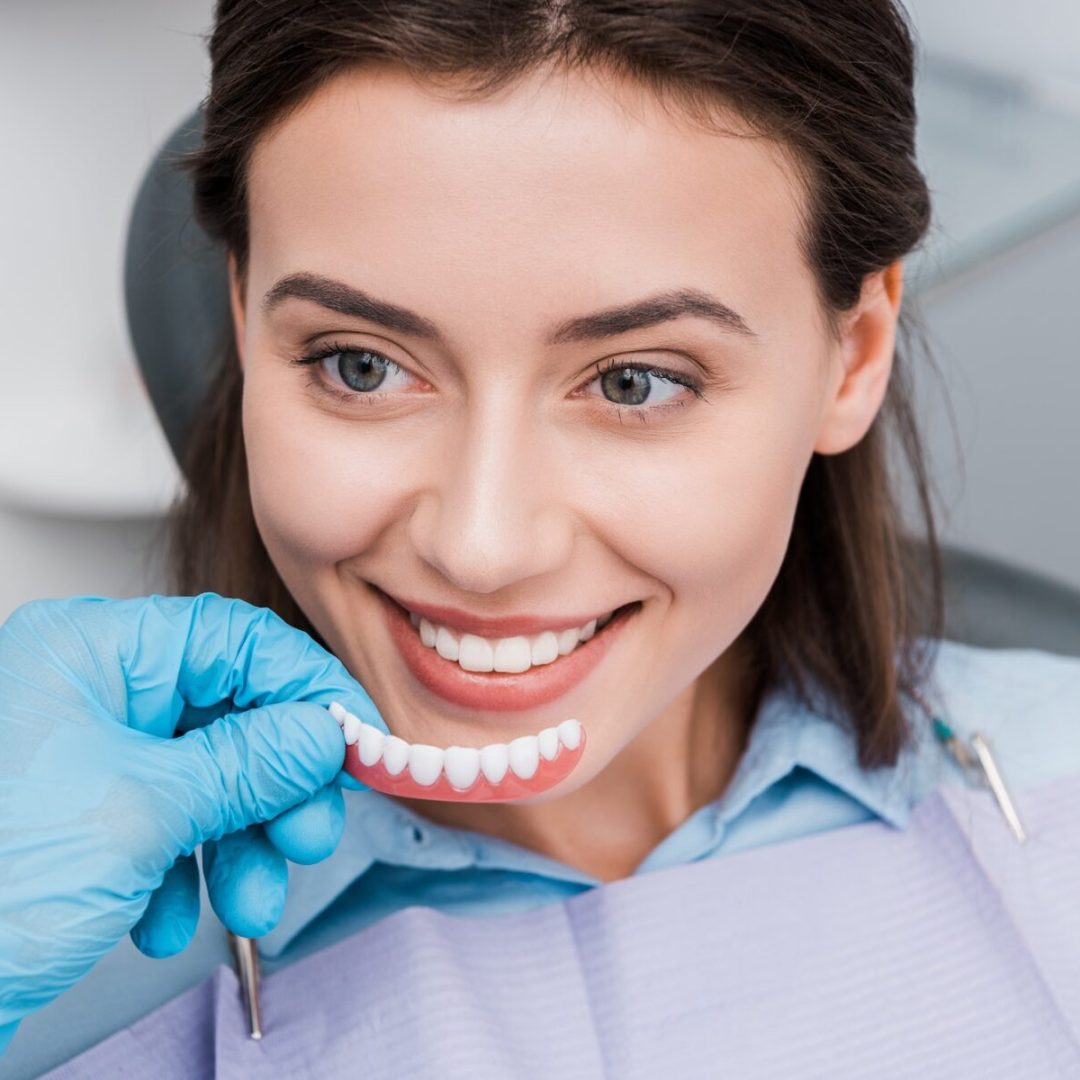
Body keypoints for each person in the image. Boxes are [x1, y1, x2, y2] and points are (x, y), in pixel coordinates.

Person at [3, 0, 1079, 1074]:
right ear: (244, 319)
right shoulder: (55, 940)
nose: (481, 547)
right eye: (360, 364)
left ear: (853, 355)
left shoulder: (1056, 771)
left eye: (633, 381)